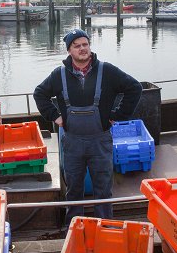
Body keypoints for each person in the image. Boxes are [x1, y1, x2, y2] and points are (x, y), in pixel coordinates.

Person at [34, 29, 142, 224]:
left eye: (85, 44)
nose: (83, 49)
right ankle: (73, 228)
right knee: (74, 188)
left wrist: (118, 115)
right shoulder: (58, 75)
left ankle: (105, 228)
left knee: (103, 188)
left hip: (100, 141)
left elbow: (135, 88)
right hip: (72, 143)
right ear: (69, 51)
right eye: (77, 46)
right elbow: (39, 93)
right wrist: (55, 117)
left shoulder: (107, 71)